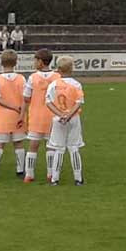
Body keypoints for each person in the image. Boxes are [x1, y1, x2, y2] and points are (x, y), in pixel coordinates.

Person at [45, 56, 86, 186]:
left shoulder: (53, 84)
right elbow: (79, 103)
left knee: (59, 149)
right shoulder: (76, 84)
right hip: (73, 118)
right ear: (72, 69)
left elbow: (48, 102)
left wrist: (60, 115)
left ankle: (55, 179)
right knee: (74, 148)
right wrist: (68, 116)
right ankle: (78, 179)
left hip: (58, 119)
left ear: (58, 70)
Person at [21, 49, 60, 183]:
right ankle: (50, 173)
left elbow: (26, 98)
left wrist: (22, 115)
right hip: (53, 116)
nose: (34, 62)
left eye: (35, 60)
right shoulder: (57, 77)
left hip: (36, 116)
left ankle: (29, 174)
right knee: (51, 146)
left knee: (33, 145)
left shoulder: (33, 77)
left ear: (40, 62)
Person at [0, 49, 27, 180]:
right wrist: (21, 112)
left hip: (2, 117)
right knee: (19, 143)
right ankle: (20, 171)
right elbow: (25, 98)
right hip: (18, 116)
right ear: (16, 62)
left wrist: (12, 107)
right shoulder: (21, 78)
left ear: (1, 63)